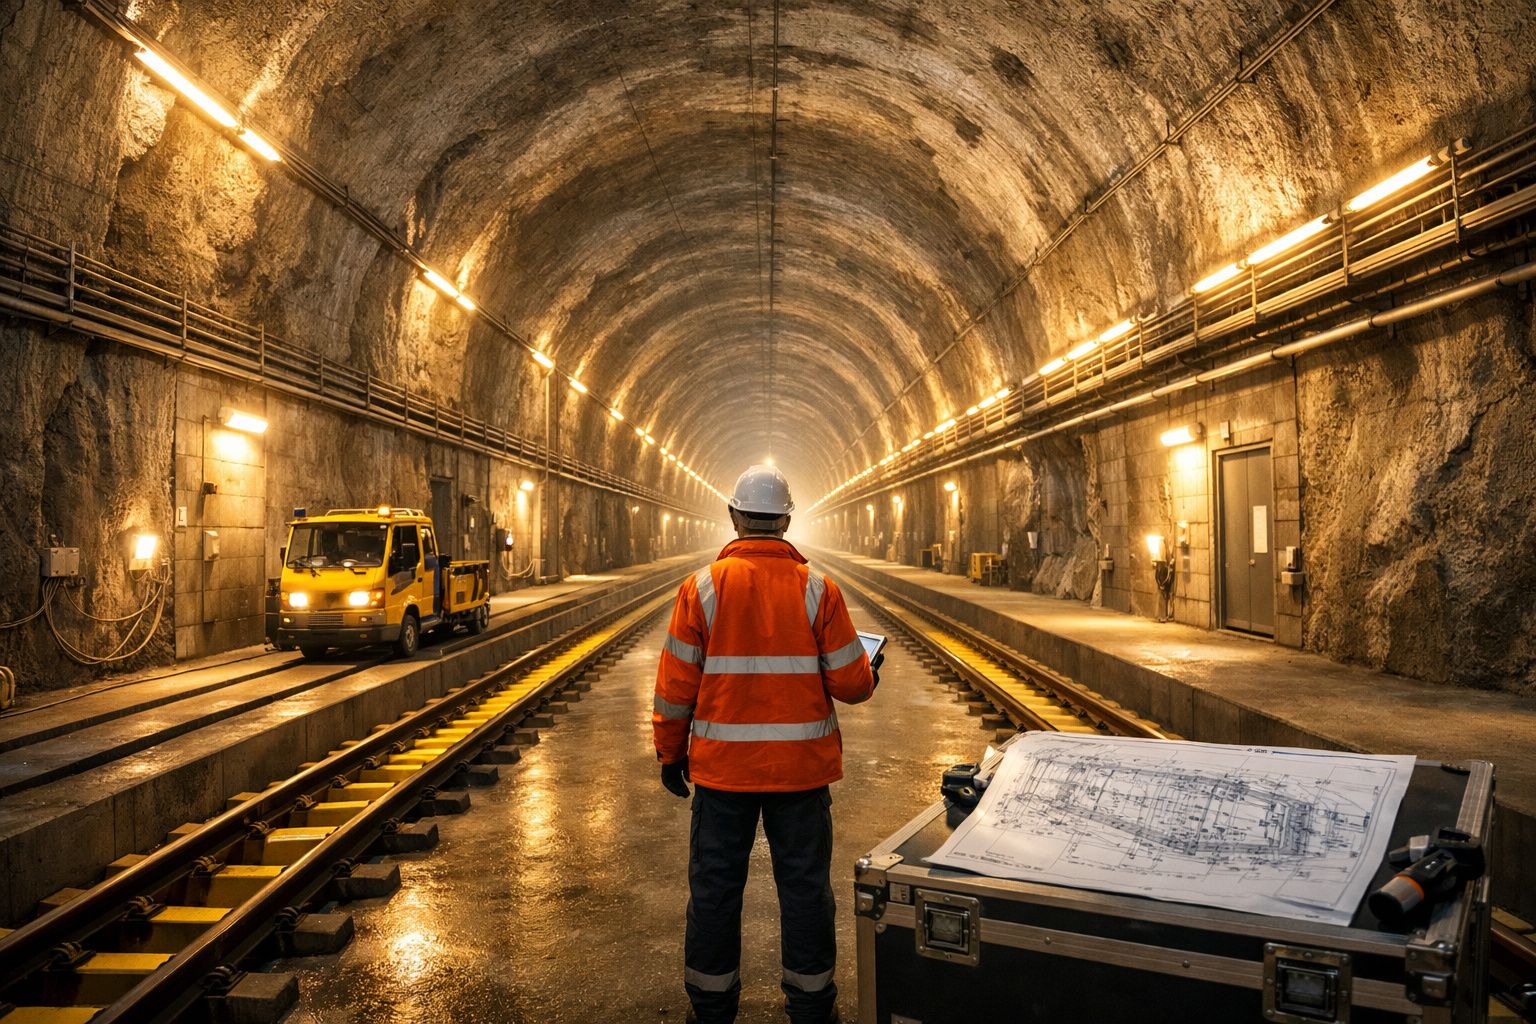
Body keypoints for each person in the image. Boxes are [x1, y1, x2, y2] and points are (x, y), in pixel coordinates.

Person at [653, 463, 881, 1024]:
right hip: (800, 775)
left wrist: (669, 752)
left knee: (714, 892)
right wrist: (871, 670)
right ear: (784, 522)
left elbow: (675, 685)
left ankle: (710, 1007)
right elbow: (853, 685)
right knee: (805, 893)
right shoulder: (819, 590)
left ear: (734, 517)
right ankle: (810, 1008)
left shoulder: (701, 588)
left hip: (722, 775)